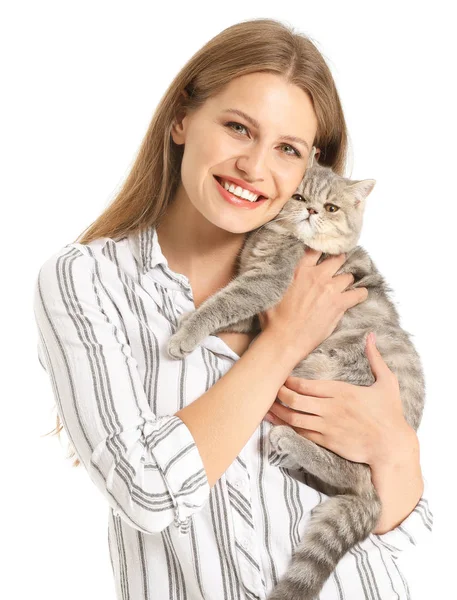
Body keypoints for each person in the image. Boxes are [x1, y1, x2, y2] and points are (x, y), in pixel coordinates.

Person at [33, 18, 433, 600]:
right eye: (239, 128)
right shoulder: (86, 280)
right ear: (181, 119)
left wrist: (398, 451)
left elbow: (397, 526)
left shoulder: (330, 279)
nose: (255, 167)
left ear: (309, 168)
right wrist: (282, 342)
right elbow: (145, 493)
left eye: (287, 149)